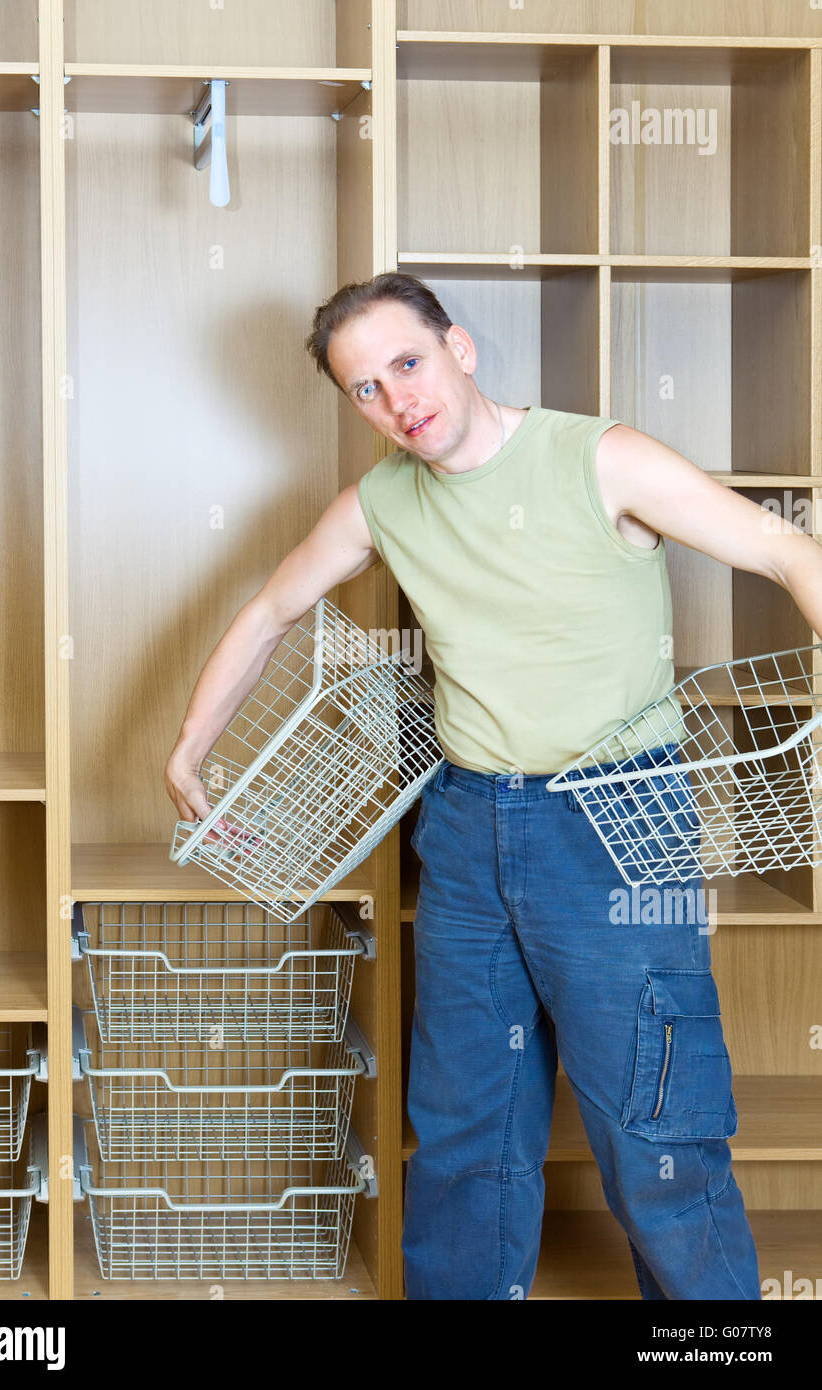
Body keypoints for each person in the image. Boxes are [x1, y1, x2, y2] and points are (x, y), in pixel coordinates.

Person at [164, 271, 822, 1300]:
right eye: (365, 389)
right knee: (465, 1133)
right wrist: (187, 749)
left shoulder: (598, 458)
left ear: (459, 348)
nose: (396, 399)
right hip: (468, 825)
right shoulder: (379, 501)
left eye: (407, 363)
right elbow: (268, 610)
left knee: (657, 1131)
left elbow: (784, 548)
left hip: (615, 823)